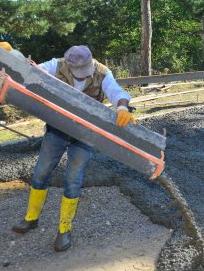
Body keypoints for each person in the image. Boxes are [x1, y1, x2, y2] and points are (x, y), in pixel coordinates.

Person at [12, 45, 135, 252]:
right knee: (41, 172)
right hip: (57, 129)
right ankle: (31, 218)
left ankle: (64, 229)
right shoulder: (55, 65)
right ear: (68, 64)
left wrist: (122, 107)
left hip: (84, 134)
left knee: (73, 179)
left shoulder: (102, 72)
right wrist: (13, 57)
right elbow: (30, 70)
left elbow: (116, 92)